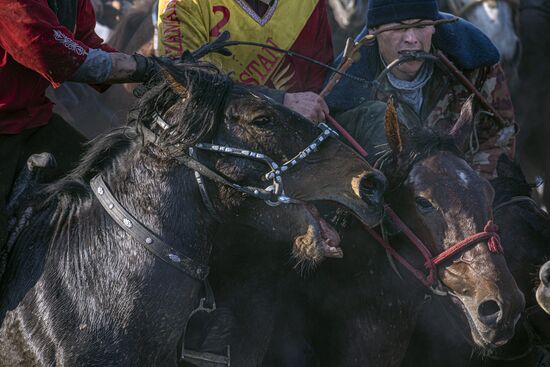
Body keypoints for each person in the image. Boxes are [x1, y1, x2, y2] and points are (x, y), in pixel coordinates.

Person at [0, 0, 159, 250]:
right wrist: (140, 67)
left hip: (31, 118)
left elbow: (84, 41)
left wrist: (156, 69)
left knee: (107, 178)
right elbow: (46, 49)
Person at [326, 0, 516, 179]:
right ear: (374, 31)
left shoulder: (475, 65)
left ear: (434, 26)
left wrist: (469, 188)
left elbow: (499, 137)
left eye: (420, 26)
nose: (411, 39)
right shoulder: (346, 90)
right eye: (399, 28)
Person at [156, 0, 334, 122]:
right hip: (215, 138)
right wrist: (280, 101)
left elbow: (318, 80)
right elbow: (186, 85)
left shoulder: (308, 4)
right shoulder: (183, 3)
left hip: (293, 134)